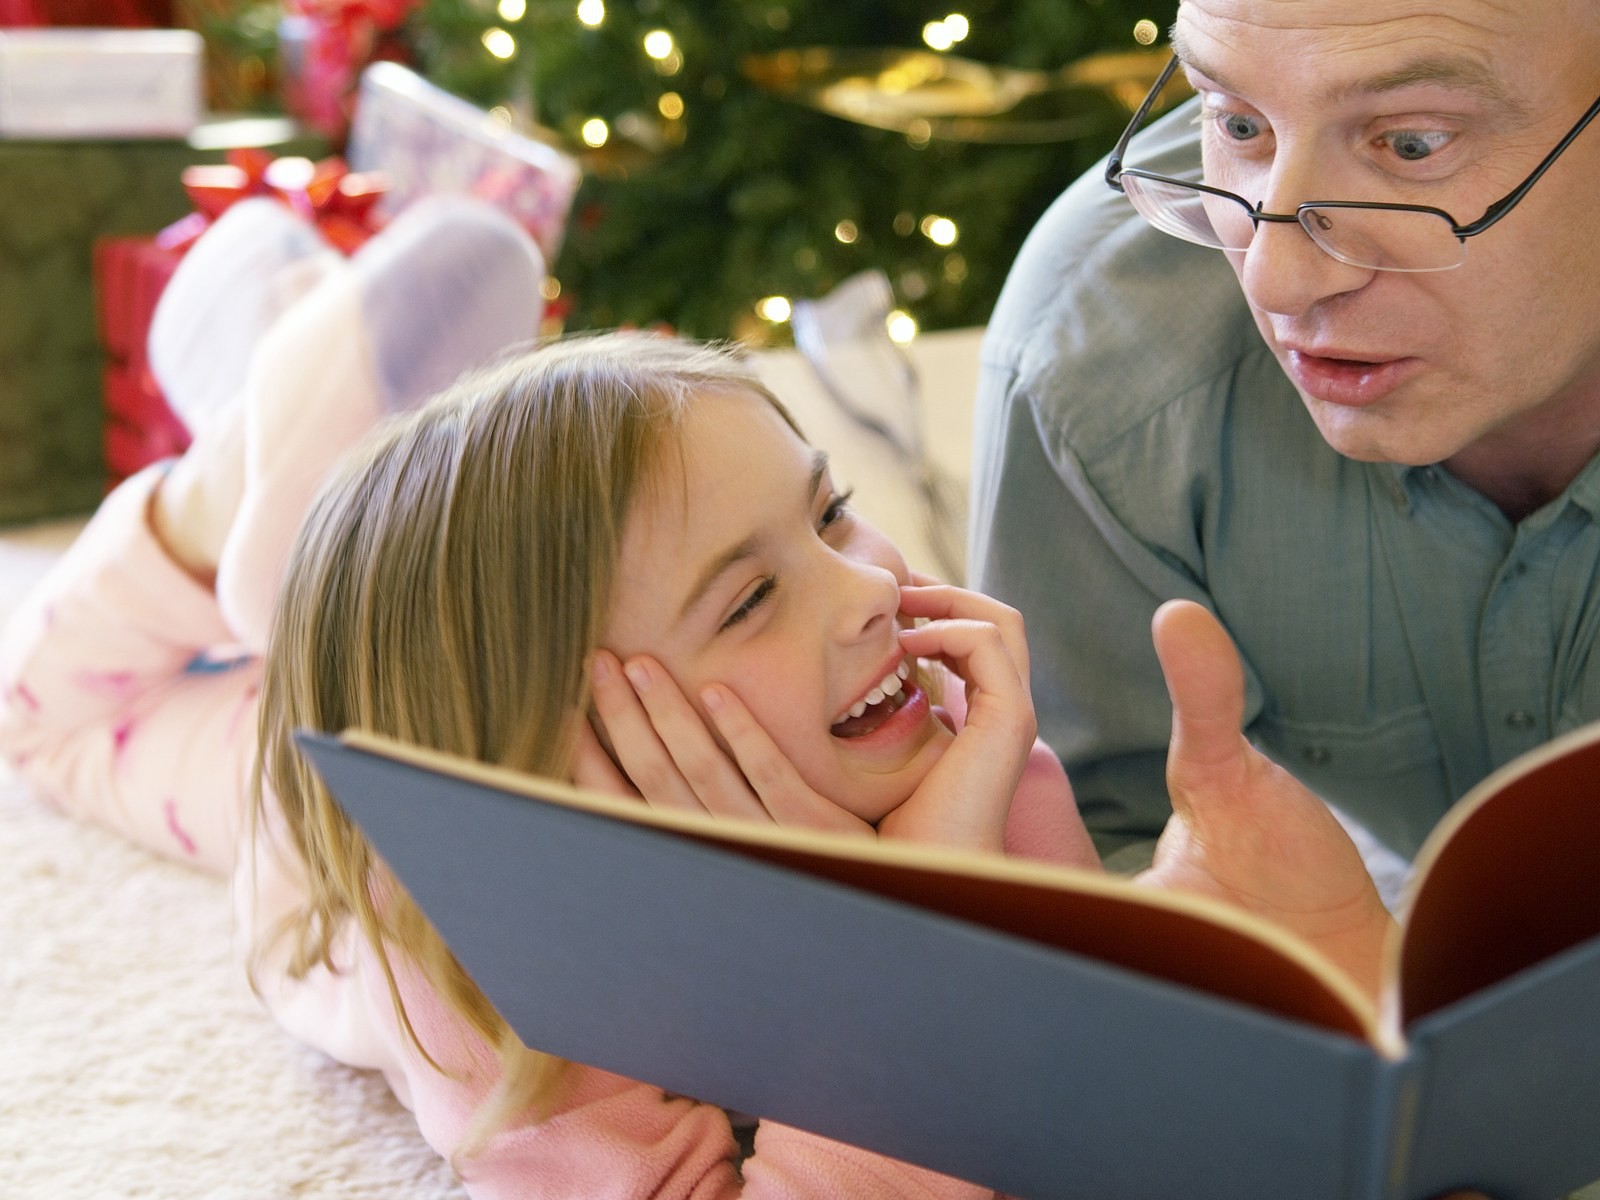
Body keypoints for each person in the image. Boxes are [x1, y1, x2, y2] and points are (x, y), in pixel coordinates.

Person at [0, 193, 1391, 1192]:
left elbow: (1059, 1084)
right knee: (48, 723)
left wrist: (1142, 921)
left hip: (457, 637)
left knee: (358, 530)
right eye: (750, 596)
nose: (870, 591)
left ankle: (307, 414)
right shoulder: (468, 964)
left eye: (834, 513)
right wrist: (912, 926)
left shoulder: (947, 747)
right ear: (566, 754)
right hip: (316, 772)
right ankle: (230, 486)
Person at [969, 0, 1600, 873]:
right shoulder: (1098, 360)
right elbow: (1096, 866)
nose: (1275, 276)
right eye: (1234, 121)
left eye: (1412, 144)